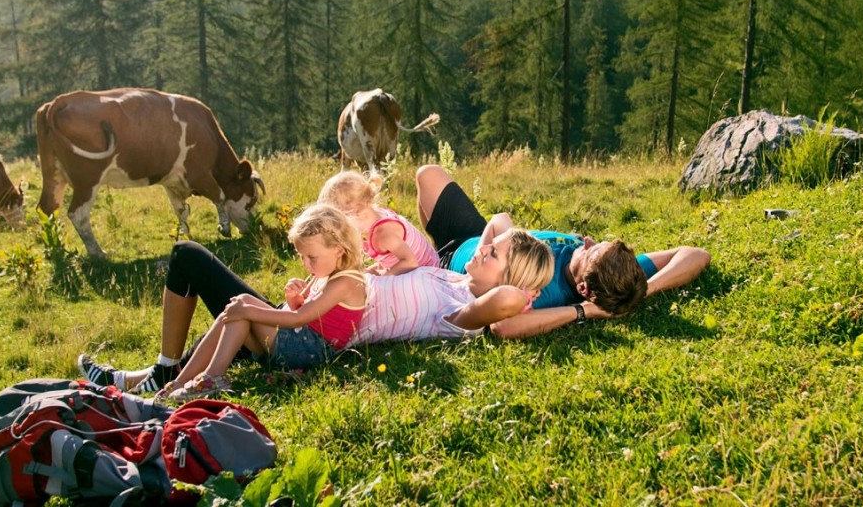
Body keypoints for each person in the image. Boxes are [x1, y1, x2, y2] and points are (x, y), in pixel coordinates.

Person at [78, 210, 555, 393]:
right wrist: (507, 245)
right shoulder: (449, 278)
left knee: (190, 260)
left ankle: (161, 374)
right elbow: (498, 218)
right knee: (232, 309)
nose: (483, 250)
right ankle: (153, 376)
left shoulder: (460, 314)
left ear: (508, 281)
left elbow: (507, 300)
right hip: (316, 313)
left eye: (492, 256)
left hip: (316, 331)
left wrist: (562, 302)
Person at [413, 164, 711, 339]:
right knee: (428, 174)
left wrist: (584, 311)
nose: (588, 241)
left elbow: (503, 326)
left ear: (582, 287)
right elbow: (696, 254)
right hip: (480, 238)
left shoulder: (546, 291)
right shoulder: (617, 275)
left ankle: (432, 254)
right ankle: (436, 239)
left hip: (456, 263)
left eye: (589, 251)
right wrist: (645, 290)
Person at [150, 203, 367, 401]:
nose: (305, 263)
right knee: (241, 304)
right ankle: (180, 381)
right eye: (301, 256)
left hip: (311, 352)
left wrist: (250, 311)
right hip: (301, 344)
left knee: (244, 307)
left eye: (311, 257)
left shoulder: (346, 281)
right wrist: (294, 301)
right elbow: (307, 314)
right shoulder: (327, 272)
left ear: (339, 249)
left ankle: (212, 376)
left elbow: (300, 319)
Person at [317, 170, 440, 275]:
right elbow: (391, 260)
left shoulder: (383, 235)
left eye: (338, 224)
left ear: (354, 212)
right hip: (418, 269)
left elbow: (411, 262)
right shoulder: (376, 215)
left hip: (428, 274)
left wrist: (382, 279)